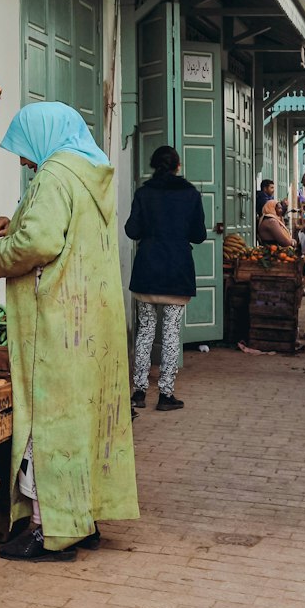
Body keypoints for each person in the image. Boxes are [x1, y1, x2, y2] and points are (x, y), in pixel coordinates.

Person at [0, 102, 139, 562]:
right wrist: (17, 220)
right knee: (82, 420)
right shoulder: (88, 170)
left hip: (57, 322)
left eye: (26, 148)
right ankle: (82, 521)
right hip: (90, 322)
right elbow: (61, 228)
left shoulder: (53, 175)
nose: (24, 160)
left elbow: (41, 244)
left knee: (47, 423)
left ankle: (49, 530)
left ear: (44, 137)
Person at [124, 145, 206, 412]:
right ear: (177, 166)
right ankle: (165, 395)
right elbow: (199, 235)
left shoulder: (144, 194)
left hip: (147, 270)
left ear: (153, 165)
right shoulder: (191, 194)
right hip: (177, 271)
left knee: (145, 330)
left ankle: (138, 392)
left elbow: (132, 230)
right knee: (171, 332)